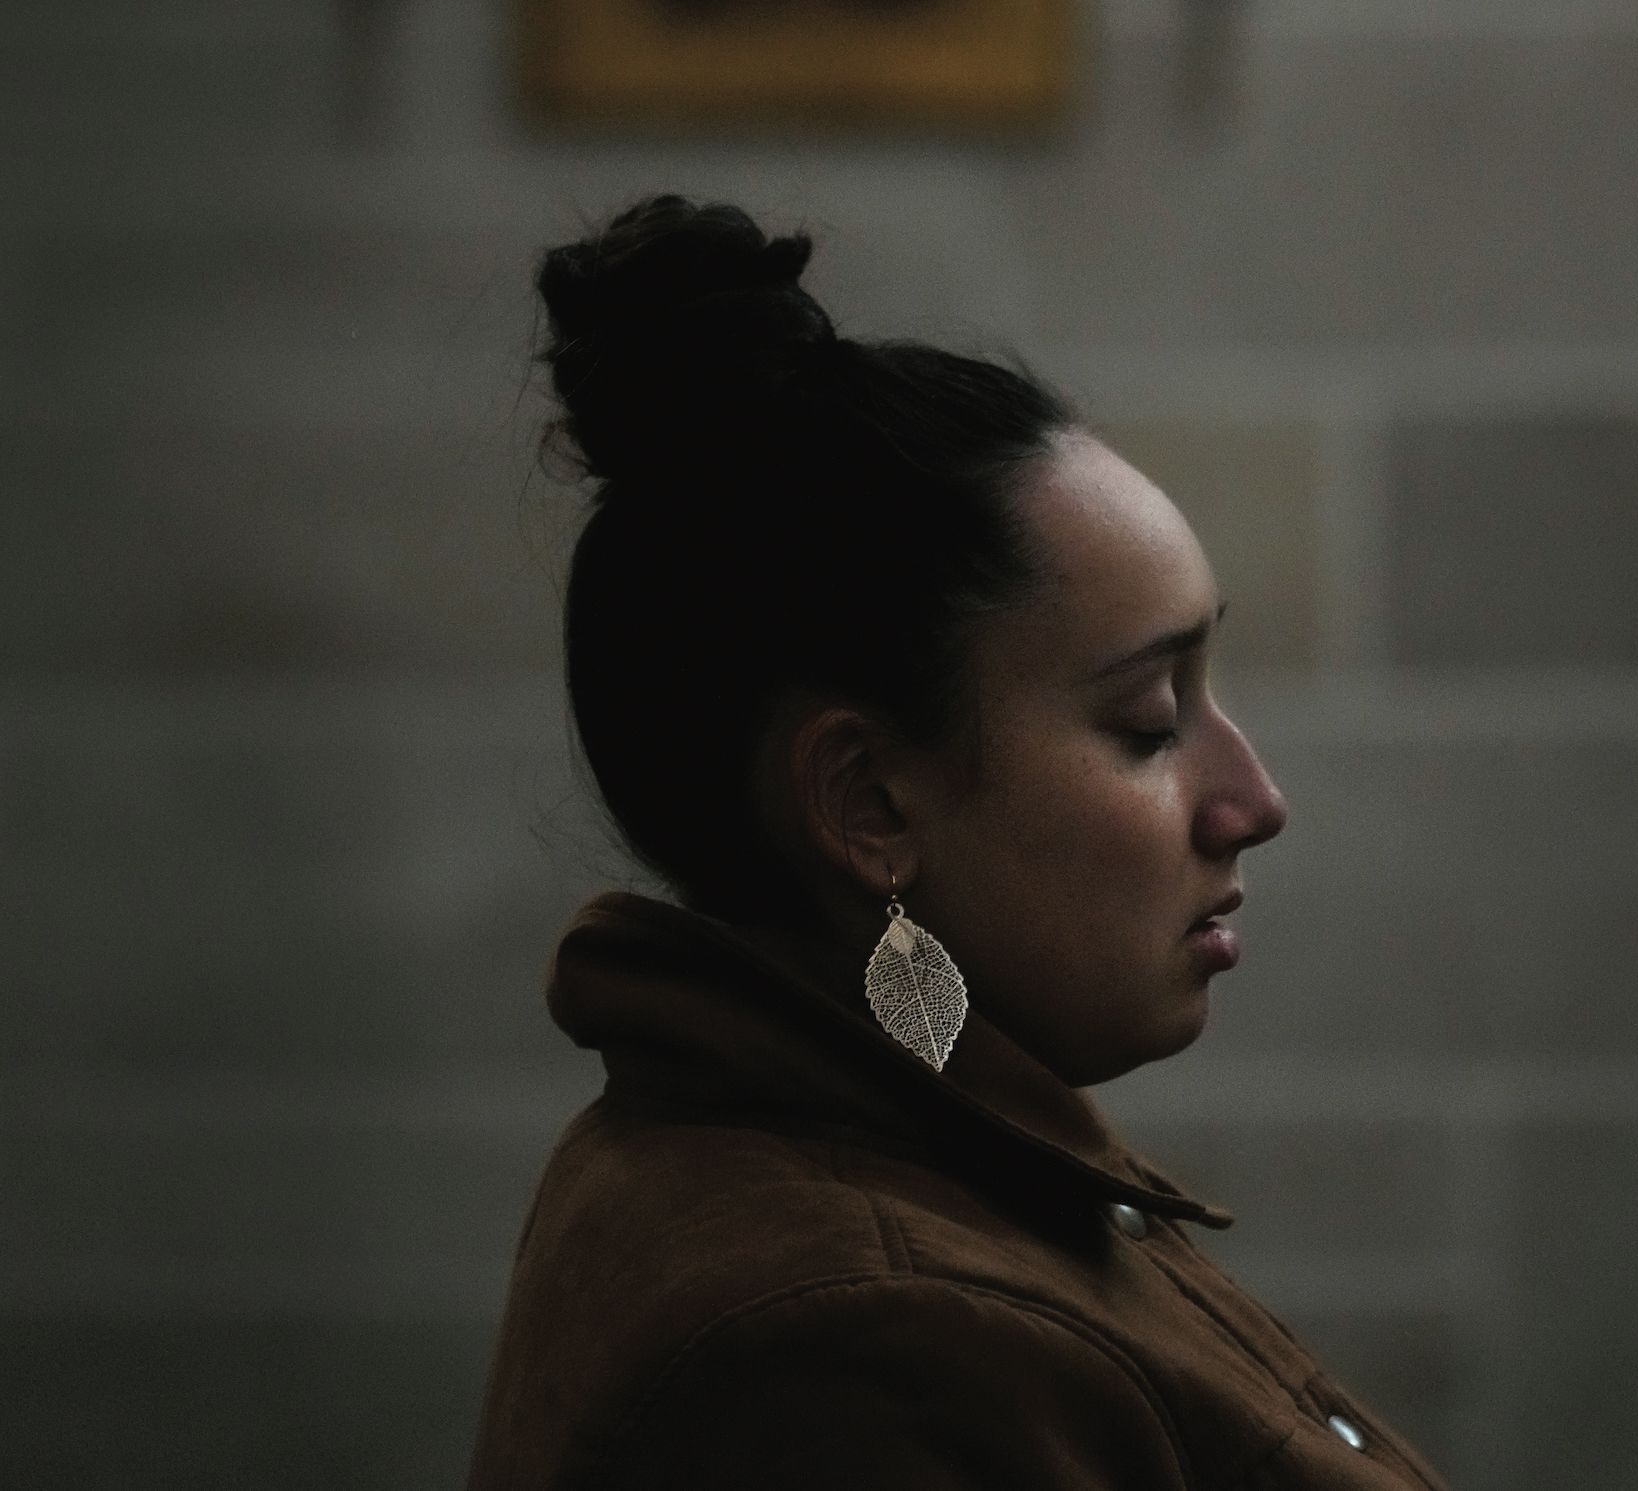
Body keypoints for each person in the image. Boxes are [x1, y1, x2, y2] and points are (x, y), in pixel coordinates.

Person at [464, 195, 1450, 1489]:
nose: (1252, 801)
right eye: (1150, 724)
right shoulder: (855, 1347)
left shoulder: (893, 1179)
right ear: (869, 805)